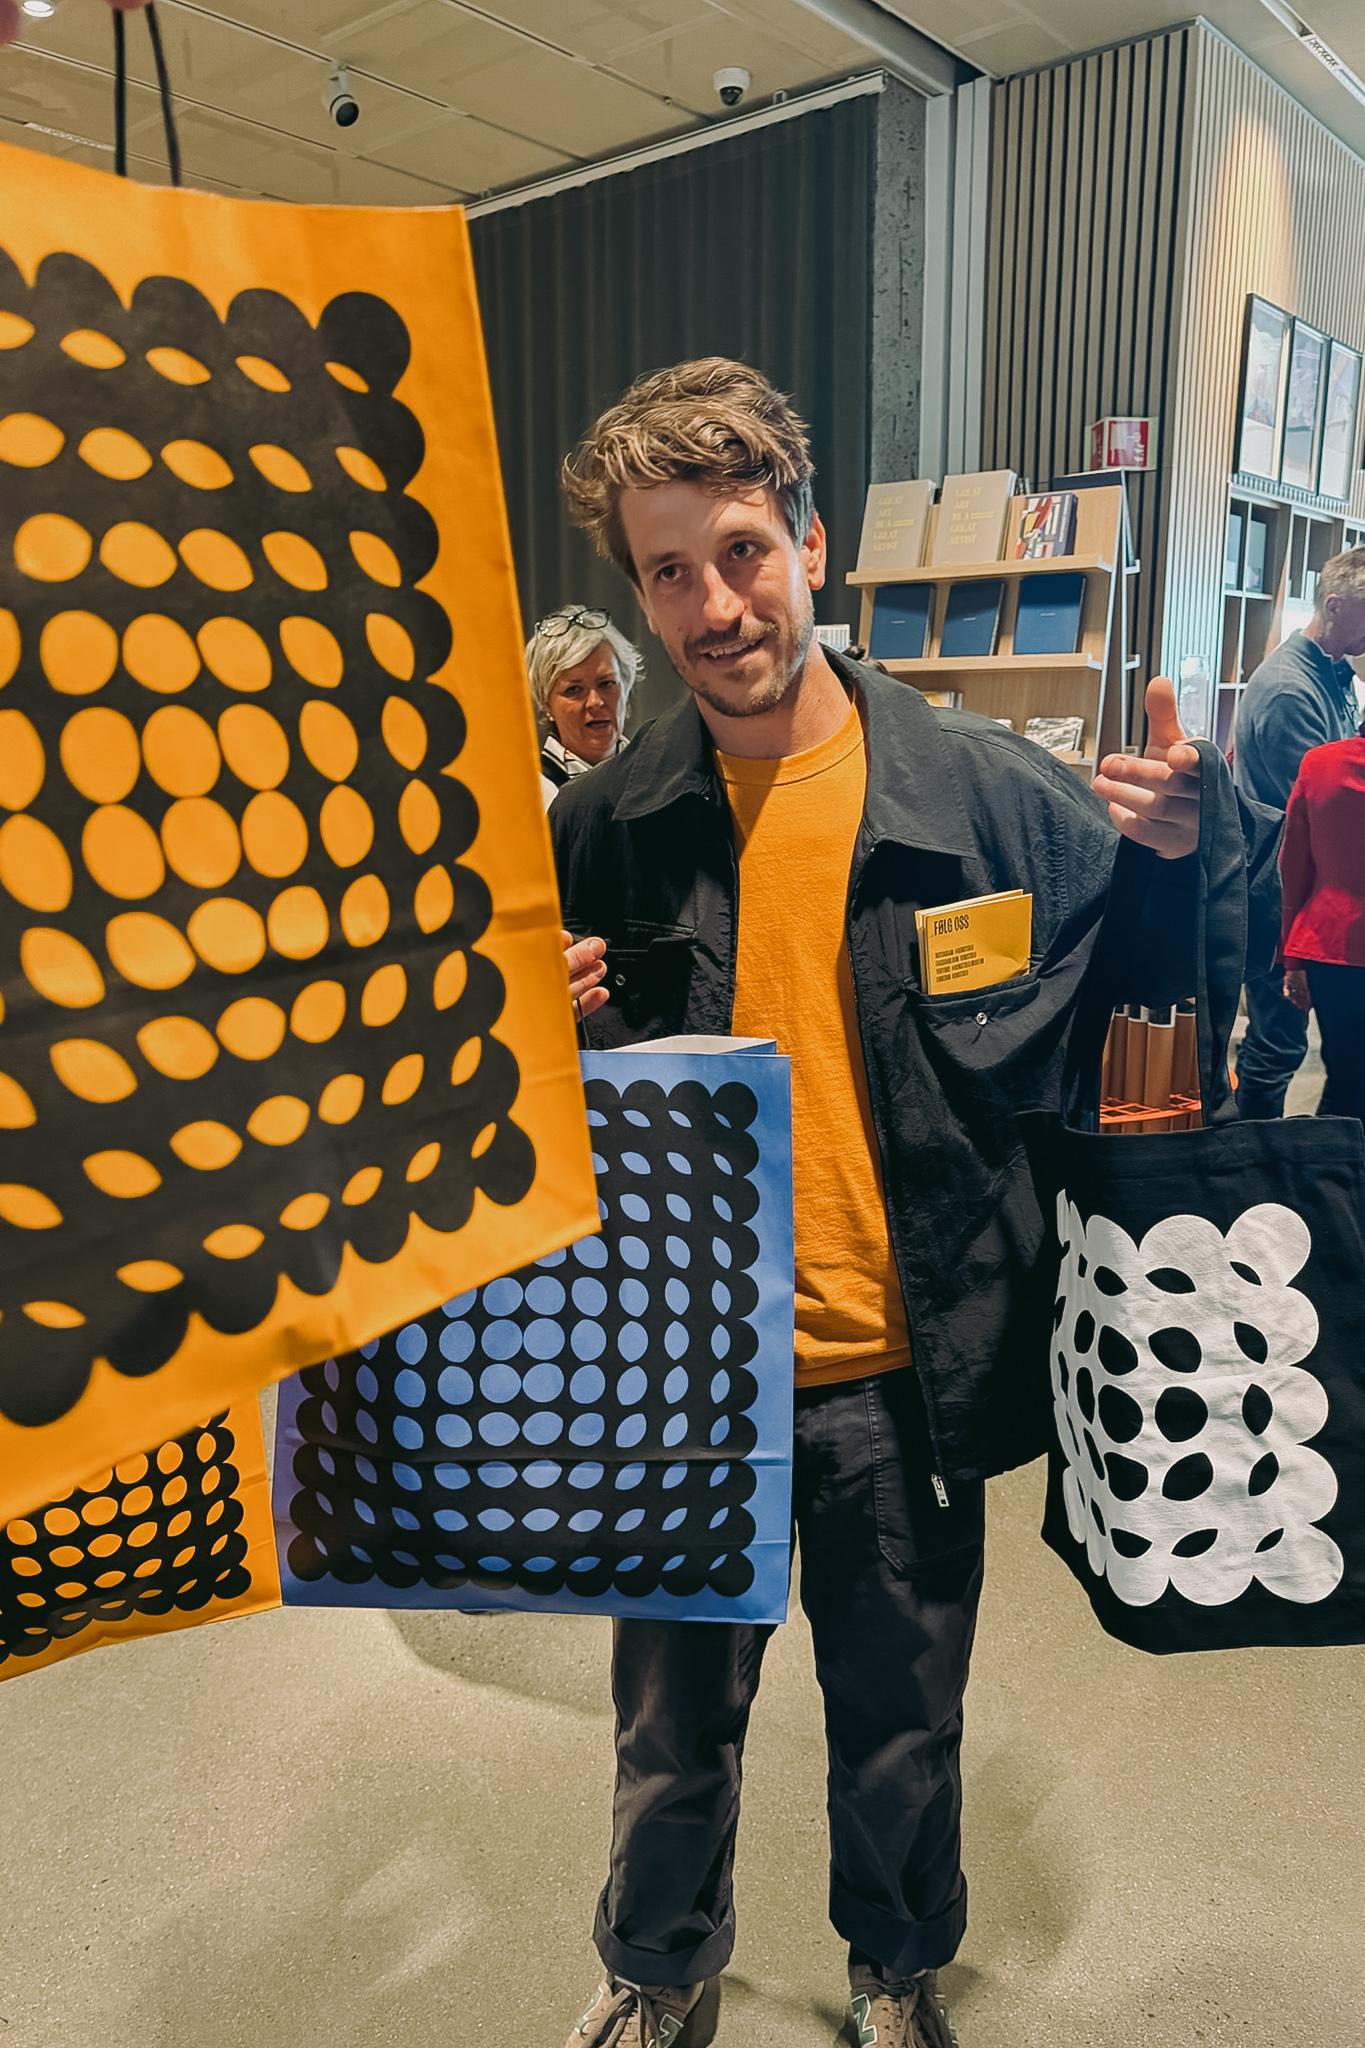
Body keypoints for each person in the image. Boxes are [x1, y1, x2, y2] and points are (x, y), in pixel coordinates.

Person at [549, 357, 1272, 2048]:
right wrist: (544, 1026)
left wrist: (1185, 855)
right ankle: (661, 1968)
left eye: (739, 549)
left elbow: (1142, 1043)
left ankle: (892, 1962)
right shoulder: (603, 834)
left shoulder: (993, 805)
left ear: (810, 539)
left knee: (898, 1719)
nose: (713, 603)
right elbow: (523, 1121)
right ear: (638, 595)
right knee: (669, 1725)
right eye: (668, 569)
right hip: (685, 1383)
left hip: (902, 1372)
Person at [1232, 548, 1365, 1118]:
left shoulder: (1332, 674)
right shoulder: (1292, 690)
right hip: (1280, 893)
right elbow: (1321, 815)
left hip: (1301, 889)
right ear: (1335, 606)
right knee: (1278, 1043)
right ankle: (1251, 1164)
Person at [1279, 717, 1365, 1124]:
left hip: (1330, 947)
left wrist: (1291, 961)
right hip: (1333, 947)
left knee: (1345, 1078)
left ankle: (1326, 1182)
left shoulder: (1319, 764)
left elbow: (1292, 868)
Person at [525, 604, 640, 808]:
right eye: (574, 690)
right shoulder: (531, 794)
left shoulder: (661, 774)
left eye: (606, 684)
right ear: (546, 703)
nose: (595, 702)